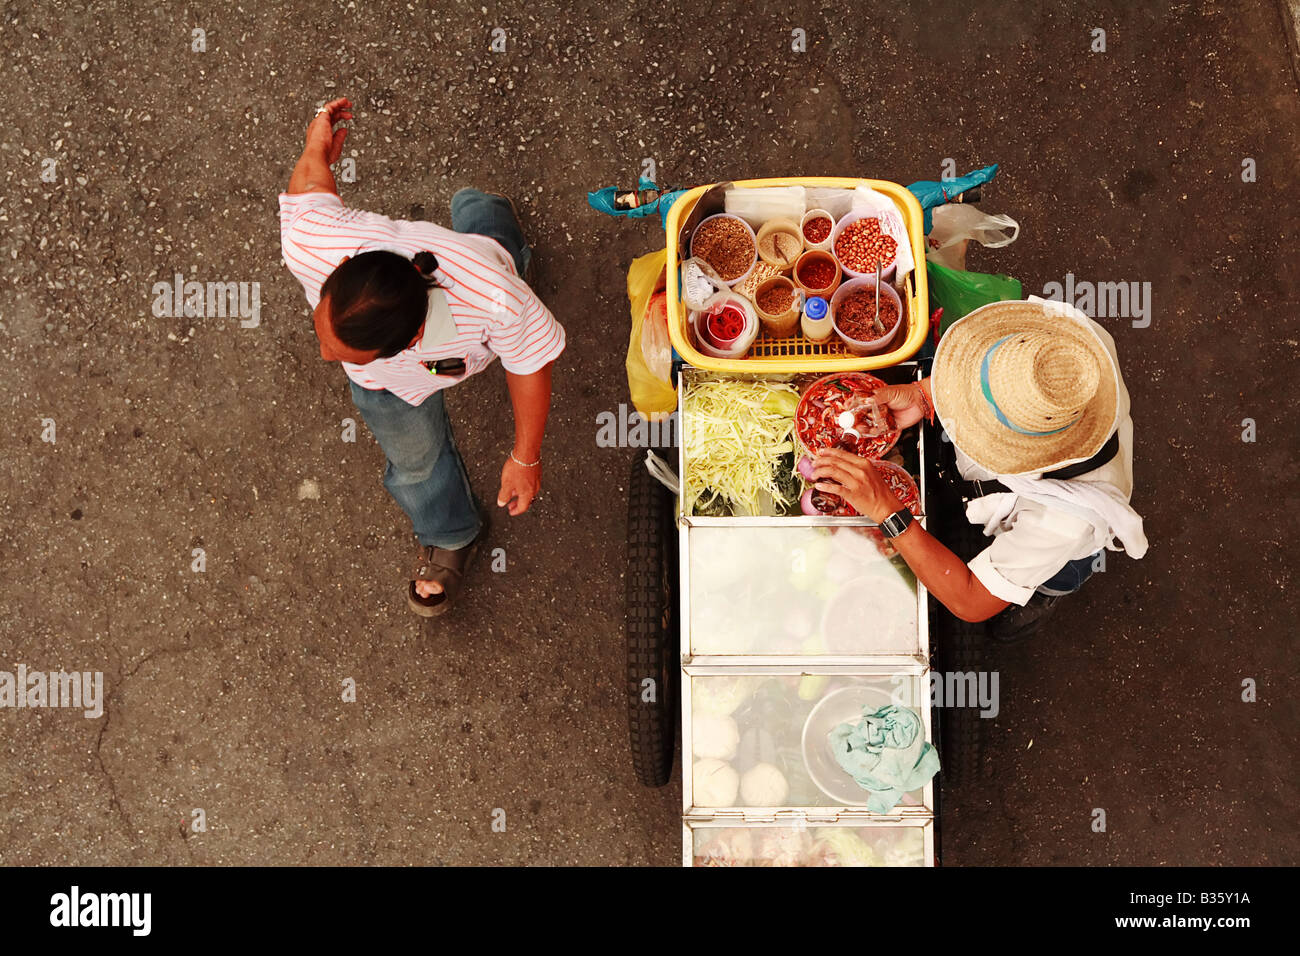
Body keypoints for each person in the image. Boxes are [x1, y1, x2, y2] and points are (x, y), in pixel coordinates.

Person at [279, 98, 565, 617]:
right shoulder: (312, 244)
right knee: (415, 464)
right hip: (390, 382)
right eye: (325, 332)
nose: (324, 355)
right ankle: (449, 533)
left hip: (480, 283)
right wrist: (316, 143)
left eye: (342, 351)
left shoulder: (495, 300)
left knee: (495, 249)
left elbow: (528, 363)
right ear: (341, 269)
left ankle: (486, 213)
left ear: (413, 339)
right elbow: (308, 186)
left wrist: (526, 457)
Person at [813, 299, 1147, 641]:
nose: (964, 408)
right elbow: (988, 373)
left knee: (1053, 576)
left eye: (976, 412)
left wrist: (886, 509)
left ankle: (1039, 598)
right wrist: (923, 395)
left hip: (1061, 553)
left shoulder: (1064, 523)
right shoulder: (1066, 349)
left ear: (1020, 450)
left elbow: (970, 601)